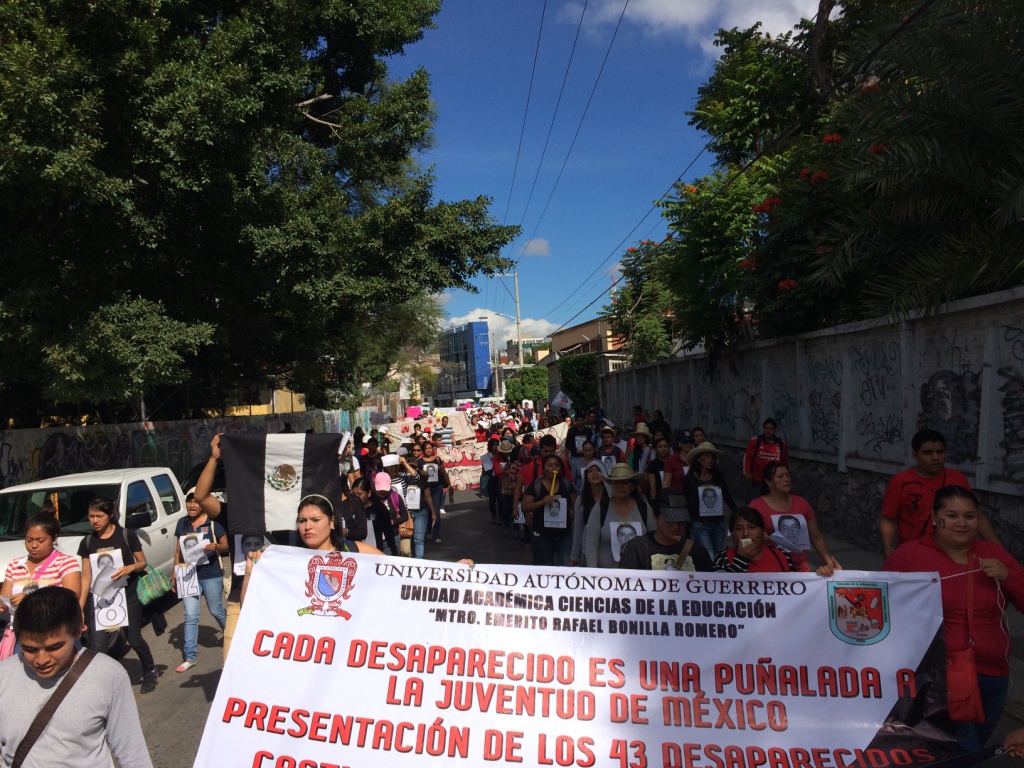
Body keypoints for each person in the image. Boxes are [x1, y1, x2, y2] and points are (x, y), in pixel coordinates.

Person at [885, 486, 1024, 751]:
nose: (962, 523)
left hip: (993, 678)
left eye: (970, 516)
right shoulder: (909, 555)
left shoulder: (995, 554)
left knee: (970, 752)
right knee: (962, 752)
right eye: (952, 515)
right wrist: (829, 578)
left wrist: (1009, 576)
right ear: (935, 517)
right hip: (939, 681)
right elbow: (877, 603)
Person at [0, 586, 152, 767]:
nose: (42, 660)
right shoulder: (3, 675)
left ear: (78, 632)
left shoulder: (108, 675)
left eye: (54, 647)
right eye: (30, 649)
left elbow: (133, 755)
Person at [77, 499, 158, 693]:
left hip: (126, 594)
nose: (94, 520)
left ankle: (150, 670)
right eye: (91, 516)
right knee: (98, 646)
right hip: (100, 599)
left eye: (99, 516)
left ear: (110, 515)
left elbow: (142, 562)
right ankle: (104, 686)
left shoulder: (126, 535)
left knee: (134, 638)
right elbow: (86, 577)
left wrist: (129, 568)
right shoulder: (87, 542)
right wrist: (79, 607)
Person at [880, 428, 997, 558]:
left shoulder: (957, 479)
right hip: (915, 555)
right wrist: (888, 547)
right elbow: (888, 519)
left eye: (940, 452)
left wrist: (999, 549)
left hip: (954, 554)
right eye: (928, 453)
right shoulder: (900, 482)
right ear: (915, 455)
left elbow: (977, 515)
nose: (935, 457)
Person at [750, 462, 841, 575]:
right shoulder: (756, 506)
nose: (786, 479)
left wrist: (829, 563)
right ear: (768, 481)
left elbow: (816, 538)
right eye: (780, 476)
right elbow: (745, 538)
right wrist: (758, 536)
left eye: (788, 475)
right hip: (770, 568)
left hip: (800, 569)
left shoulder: (802, 504)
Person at [172, 488, 228, 673]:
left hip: (210, 573)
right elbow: (178, 551)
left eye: (196, 501)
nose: (192, 505)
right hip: (188, 575)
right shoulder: (183, 524)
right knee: (190, 615)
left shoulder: (213, 523)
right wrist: (175, 573)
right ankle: (190, 657)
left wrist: (216, 546)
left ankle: (232, 636)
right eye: (189, 501)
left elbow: (226, 544)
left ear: (203, 504)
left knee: (216, 610)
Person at [1, 513, 82, 617]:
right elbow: (5, 597)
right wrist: (4, 604)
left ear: (54, 538)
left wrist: (30, 600)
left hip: (52, 629)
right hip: (19, 630)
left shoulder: (66, 563)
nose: (34, 545)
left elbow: (71, 600)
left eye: (40, 540)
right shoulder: (15, 565)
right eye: (29, 540)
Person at [618, 489, 714, 572]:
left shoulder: (698, 552)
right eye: (670, 520)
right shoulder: (636, 549)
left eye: (681, 520)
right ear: (656, 517)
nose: (677, 525)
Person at [584, 464, 652, 568]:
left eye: (624, 482)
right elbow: (591, 543)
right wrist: (594, 573)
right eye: (615, 483)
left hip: (639, 576)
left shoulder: (643, 507)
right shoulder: (600, 508)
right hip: (606, 576)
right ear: (611, 485)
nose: (620, 486)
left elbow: (654, 538)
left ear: (632, 485)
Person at [683, 441, 738, 556]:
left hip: (718, 523)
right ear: (699, 458)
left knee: (717, 555)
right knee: (709, 556)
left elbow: (727, 495)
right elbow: (686, 500)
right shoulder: (690, 478)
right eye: (707, 456)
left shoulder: (718, 475)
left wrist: (737, 512)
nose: (710, 459)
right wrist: (688, 523)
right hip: (700, 524)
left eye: (712, 456)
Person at [713, 508, 808, 573]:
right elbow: (718, 592)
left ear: (763, 531)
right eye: (739, 528)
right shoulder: (723, 557)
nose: (746, 533)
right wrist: (740, 560)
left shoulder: (781, 555)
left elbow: (793, 592)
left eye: (752, 527)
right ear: (732, 533)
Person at [522, 455, 577, 566]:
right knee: (545, 568)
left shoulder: (566, 484)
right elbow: (524, 507)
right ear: (543, 468)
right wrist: (541, 502)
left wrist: (572, 514)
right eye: (550, 465)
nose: (553, 468)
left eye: (557, 465)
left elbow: (575, 505)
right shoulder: (536, 485)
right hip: (542, 535)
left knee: (567, 567)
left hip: (564, 535)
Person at [570, 460, 609, 566]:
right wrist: (574, 557)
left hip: (609, 549)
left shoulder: (612, 497)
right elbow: (578, 530)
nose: (595, 473)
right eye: (590, 471)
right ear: (586, 476)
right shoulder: (581, 500)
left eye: (598, 470)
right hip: (588, 547)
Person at [352, 476, 399, 555]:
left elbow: (388, 532)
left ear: (369, 493)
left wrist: (394, 552)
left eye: (359, 494)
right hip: (355, 552)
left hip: (375, 552)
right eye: (354, 494)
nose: (356, 497)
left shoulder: (379, 508)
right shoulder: (349, 508)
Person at [743, 418, 789, 496]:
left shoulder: (781, 444)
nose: (768, 431)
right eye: (766, 428)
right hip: (758, 480)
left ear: (775, 430)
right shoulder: (755, 441)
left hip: (775, 481)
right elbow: (748, 457)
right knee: (759, 503)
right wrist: (747, 472)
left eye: (770, 429)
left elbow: (785, 461)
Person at [417, 440, 449, 544]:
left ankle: (437, 534)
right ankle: (428, 531)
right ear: (423, 450)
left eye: (430, 448)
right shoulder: (420, 461)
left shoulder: (437, 459)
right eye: (426, 448)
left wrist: (450, 485)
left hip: (437, 488)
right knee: (428, 510)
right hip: (426, 489)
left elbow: (444, 472)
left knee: (436, 510)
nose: (428, 450)